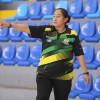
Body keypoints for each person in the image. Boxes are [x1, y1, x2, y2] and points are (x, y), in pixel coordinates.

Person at [0, 8, 90, 100]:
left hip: (64, 76)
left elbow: (79, 54)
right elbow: (27, 28)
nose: (55, 19)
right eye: (54, 16)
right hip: (44, 74)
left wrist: (85, 72)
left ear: (65, 19)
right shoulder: (46, 30)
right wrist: (10, 25)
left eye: (58, 16)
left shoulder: (72, 34)